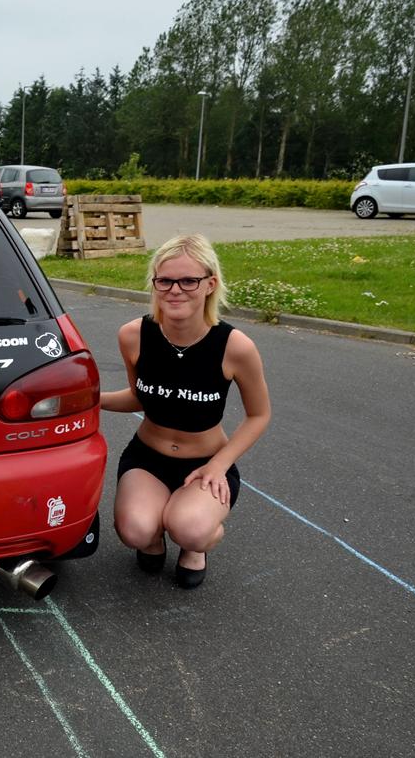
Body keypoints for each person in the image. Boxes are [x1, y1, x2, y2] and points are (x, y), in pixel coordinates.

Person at [100, 234, 270, 589]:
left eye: (188, 280)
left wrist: (219, 465)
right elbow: (140, 398)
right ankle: (154, 538)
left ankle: (196, 545)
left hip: (206, 462)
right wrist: (91, 399)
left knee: (190, 529)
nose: (175, 290)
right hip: (148, 458)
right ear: (154, 283)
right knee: (135, 530)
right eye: (165, 281)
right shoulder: (133, 335)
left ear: (210, 284)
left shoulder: (235, 347)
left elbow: (259, 415)